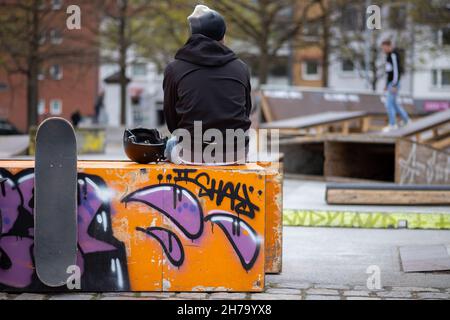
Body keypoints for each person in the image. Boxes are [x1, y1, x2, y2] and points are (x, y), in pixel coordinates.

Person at [163, 5, 252, 165]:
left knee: (170, 144)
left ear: (193, 35)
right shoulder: (241, 68)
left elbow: (172, 122)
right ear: (222, 35)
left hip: (192, 154)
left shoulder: (174, 69)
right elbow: (246, 111)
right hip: (235, 154)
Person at [381, 39, 410, 132]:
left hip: (394, 83)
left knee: (389, 104)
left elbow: (396, 71)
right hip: (391, 83)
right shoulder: (388, 56)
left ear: (389, 46)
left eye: (384, 48)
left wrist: (394, 84)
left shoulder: (393, 55)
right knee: (394, 104)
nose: (383, 50)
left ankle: (392, 124)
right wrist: (386, 84)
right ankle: (406, 120)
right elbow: (389, 72)